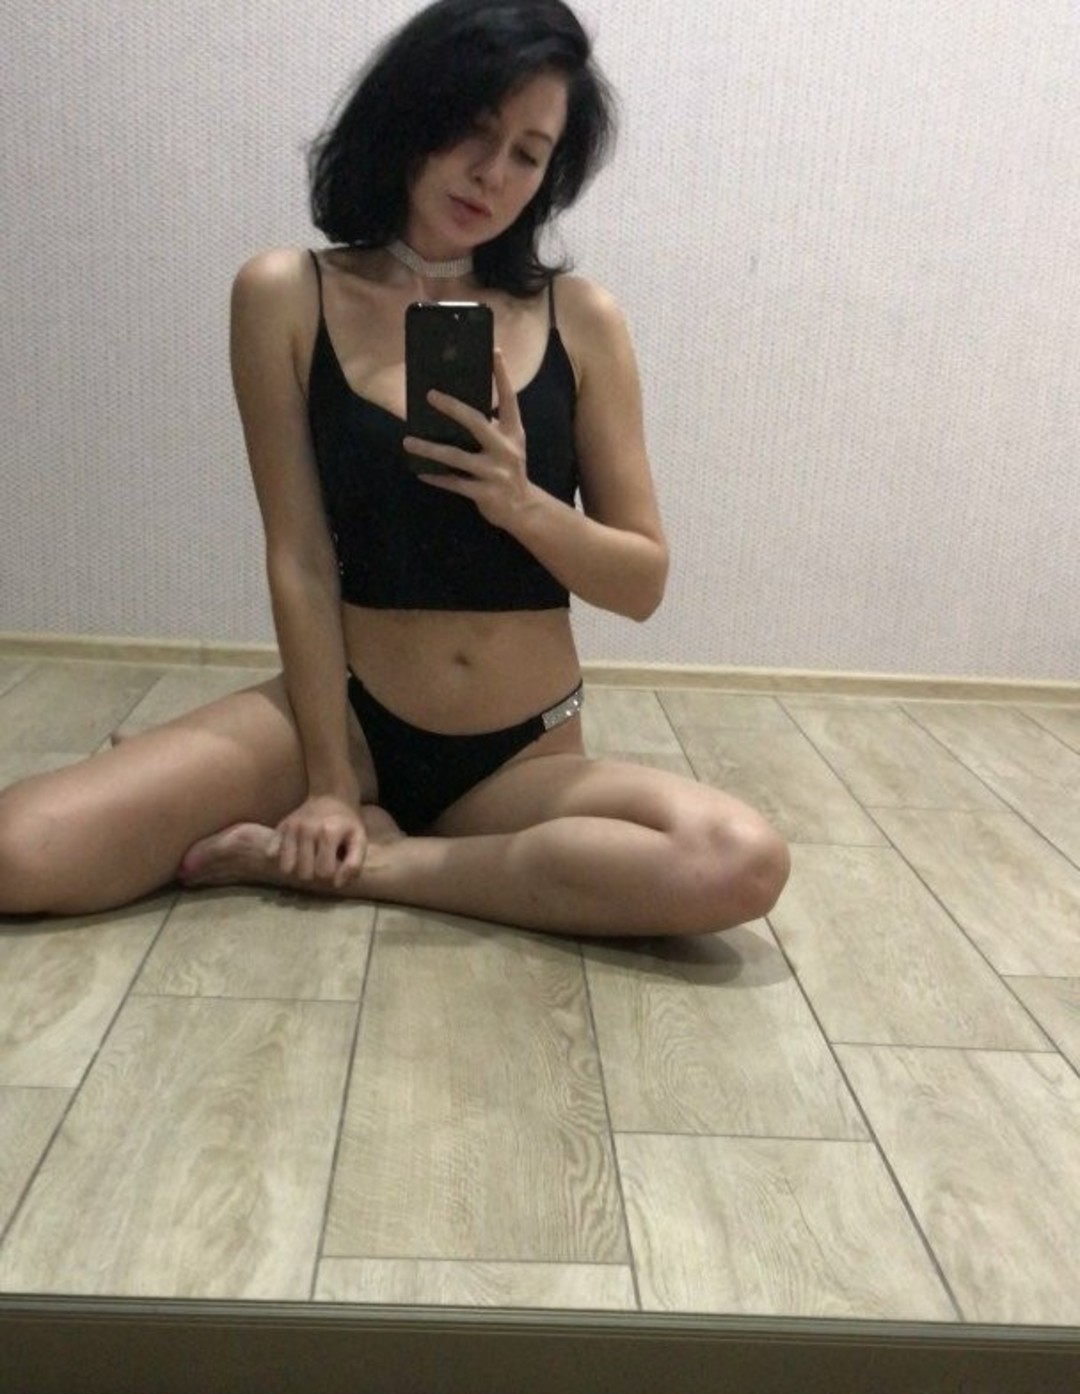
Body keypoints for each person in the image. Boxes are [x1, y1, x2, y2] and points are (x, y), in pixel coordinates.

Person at [0, 0, 790, 937]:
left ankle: (380, 864)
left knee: (735, 859)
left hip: (523, 757)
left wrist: (523, 503)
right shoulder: (285, 295)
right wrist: (330, 786)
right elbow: (299, 556)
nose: (492, 173)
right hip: (345, 724)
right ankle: (327, 815)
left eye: (528, 154)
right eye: (474, 130)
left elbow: (642, 583)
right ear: (412, 111)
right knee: (21, 850)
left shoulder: (584, 320)